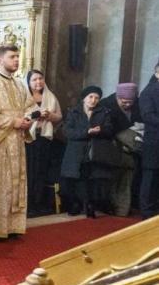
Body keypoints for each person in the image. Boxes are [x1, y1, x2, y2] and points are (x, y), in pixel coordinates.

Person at [0, 45, 36, 239]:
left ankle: (12, 226)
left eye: (18, 56)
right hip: (0, 143)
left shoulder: (19, 84)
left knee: (16, 183)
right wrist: (13, 122)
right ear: (0, 59)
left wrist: (27, 120)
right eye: (12, 57)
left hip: (17, 141)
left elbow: (30, 107)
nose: (17, 60)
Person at [60, 86, 115, 217]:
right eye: (90, 97)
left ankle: (90, 205)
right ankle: (75, 205)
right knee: (74, 180)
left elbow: (110, 130)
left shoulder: (104, 112)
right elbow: (67, 132)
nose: (93, 100)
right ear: (84, 98)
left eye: (96, 98)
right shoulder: (74, 111)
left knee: (92, 180)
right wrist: (87, 132)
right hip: (76, 152)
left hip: (95, 152)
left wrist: (101, 130)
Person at [99, 83, 140, 217]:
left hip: (130, 152)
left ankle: (122, 210)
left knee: (126, 182)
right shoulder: (105, 105)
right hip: (111, 150)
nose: (127, 105)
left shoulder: (138, 105)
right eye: (124, 102)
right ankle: (109, 207)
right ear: (117, 97)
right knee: (111, 181)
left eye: (130, 102)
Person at [25, 69, 63, 216]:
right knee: (30, 172)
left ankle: (38, 203)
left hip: (44, 138)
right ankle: (28, 204)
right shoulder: (24, 95)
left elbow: (59, 117)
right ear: (28, 82)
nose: (38, 82)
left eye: (40, 78)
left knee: (41, 171)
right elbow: (19, 114)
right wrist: (36, 114)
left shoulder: (50, 96)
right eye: (34, 79)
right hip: (28, 138)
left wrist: (49, 115)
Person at [141, 60, 159, 219]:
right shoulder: (149, 92)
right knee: (150, 176)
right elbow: (148, 116)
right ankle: (147, 212)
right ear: (157, 73)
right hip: (154, 141)